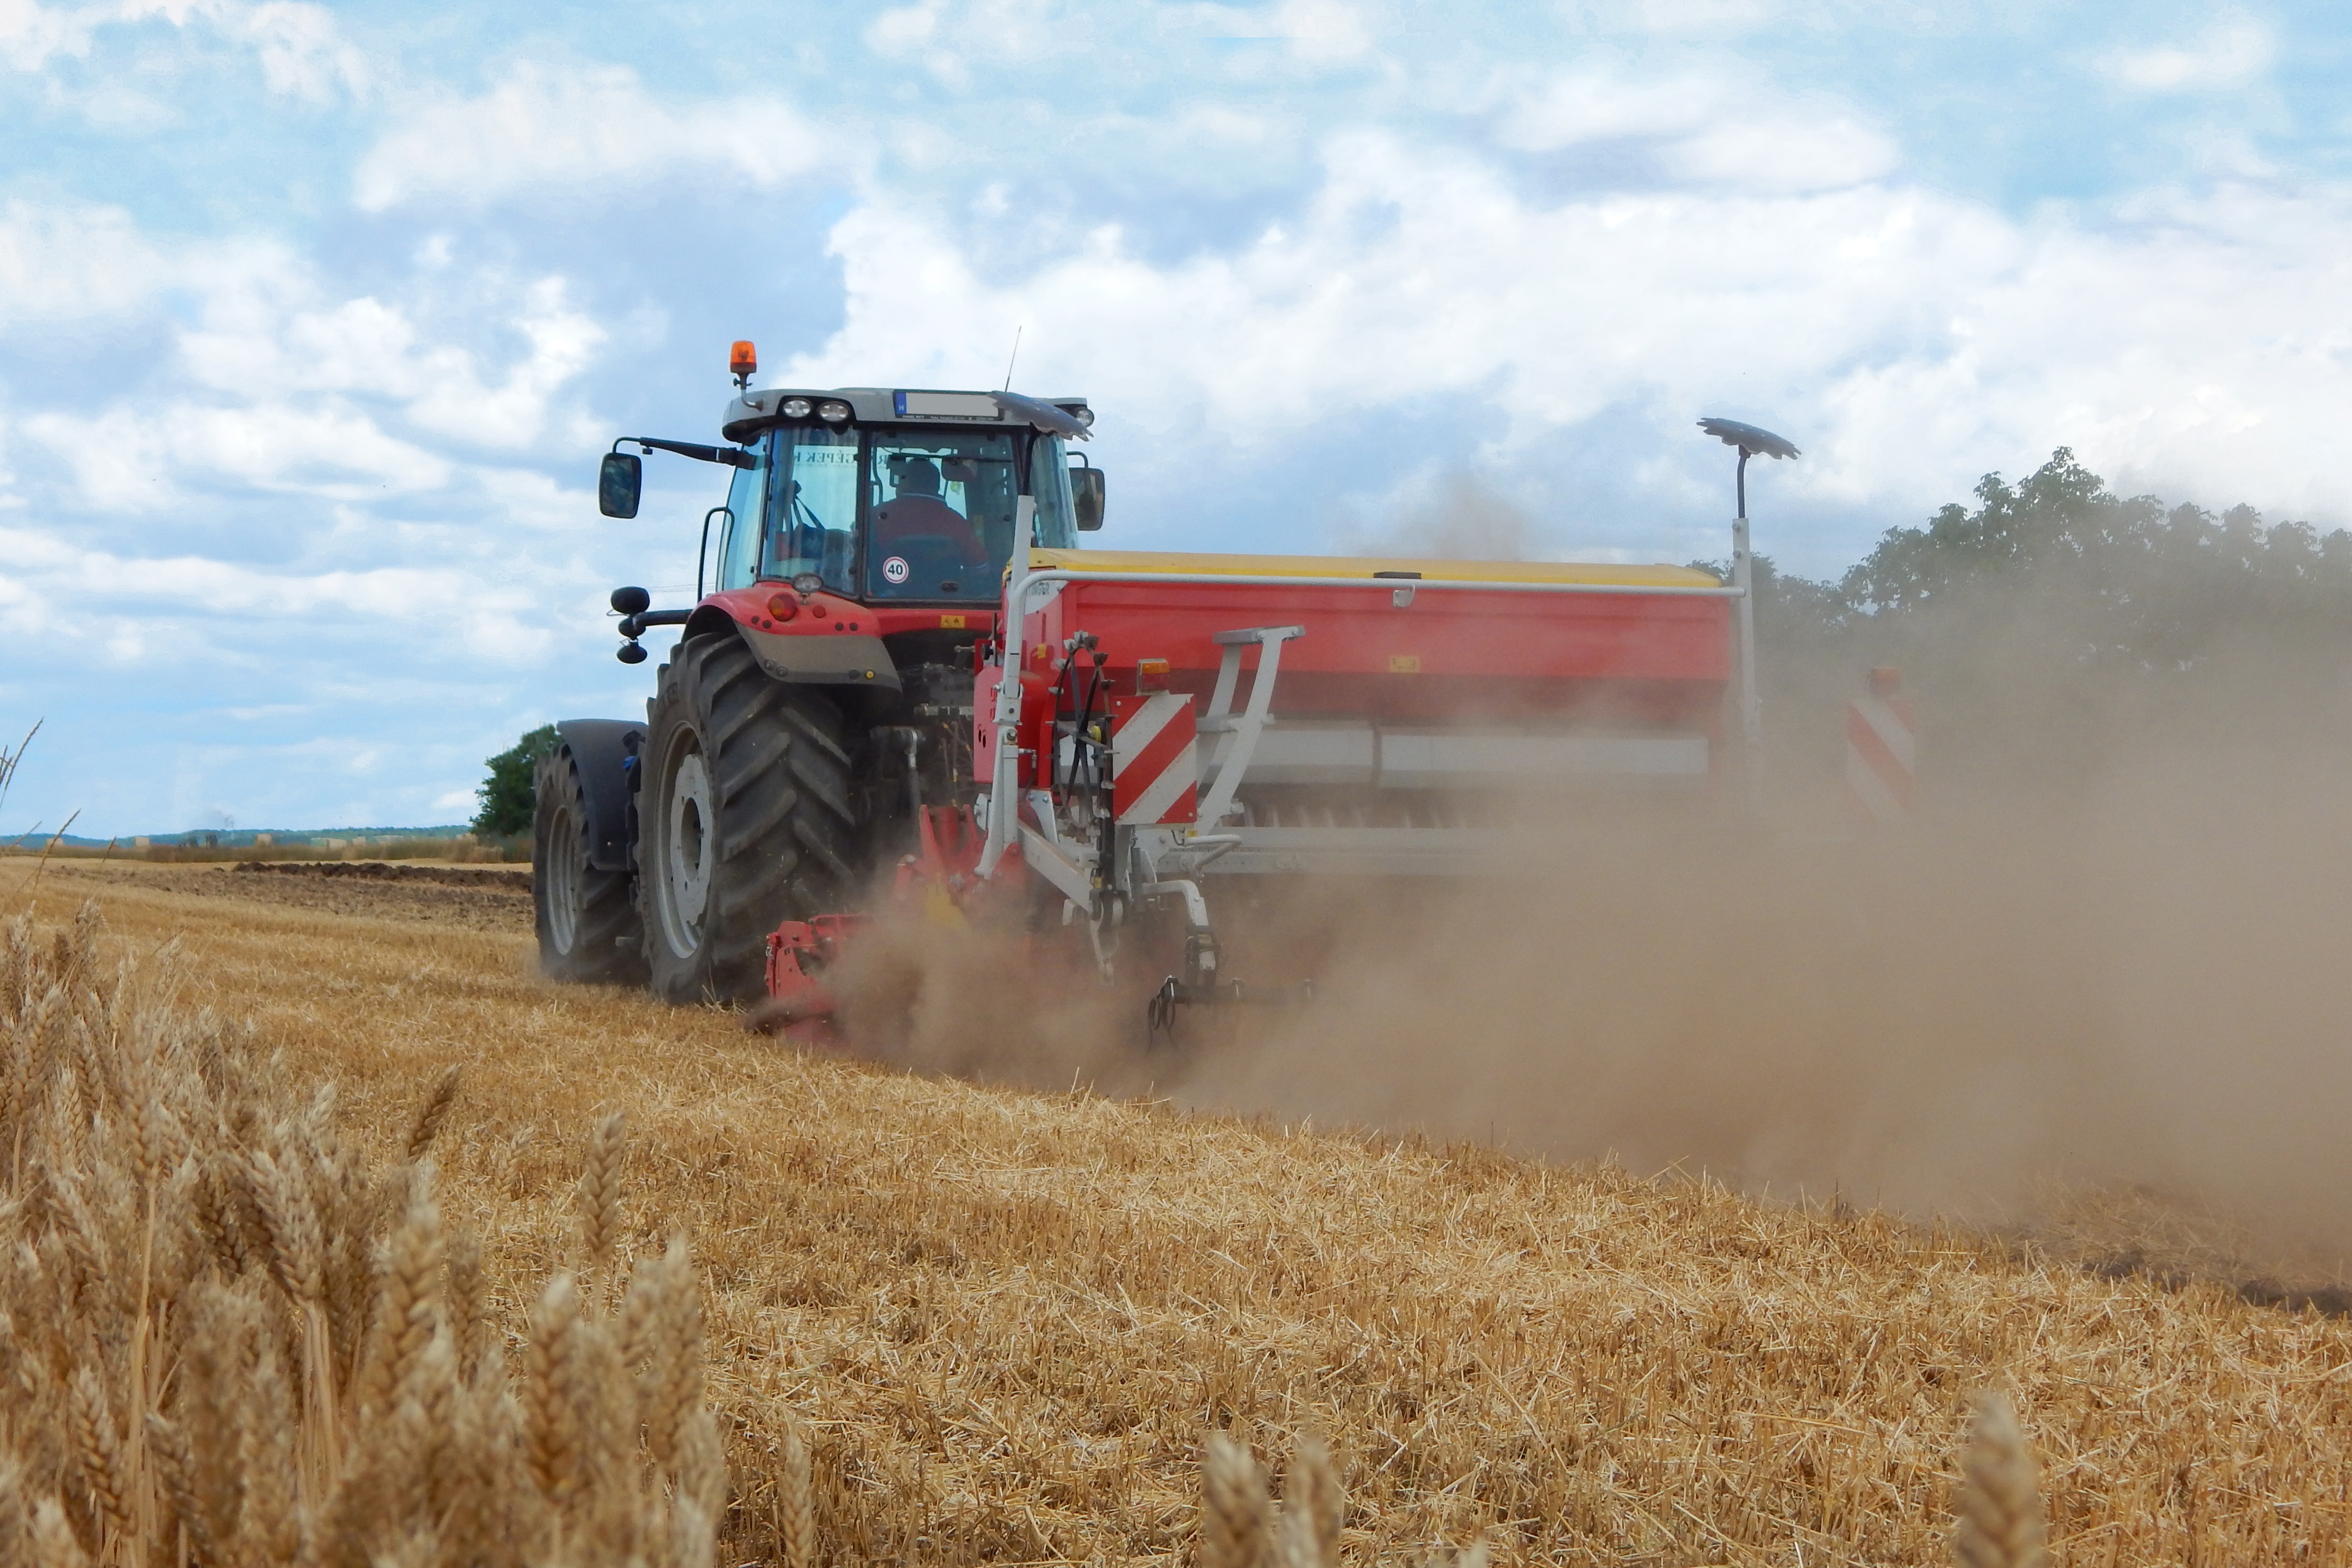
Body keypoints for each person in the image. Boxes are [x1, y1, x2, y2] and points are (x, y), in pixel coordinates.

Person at [871, 457, 985, 563]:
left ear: (905, 482)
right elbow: (979, 566)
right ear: (936, 485)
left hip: (888, 584)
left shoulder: (877, 516)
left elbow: (860, 554)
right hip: (948, 585)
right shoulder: (958, 523)